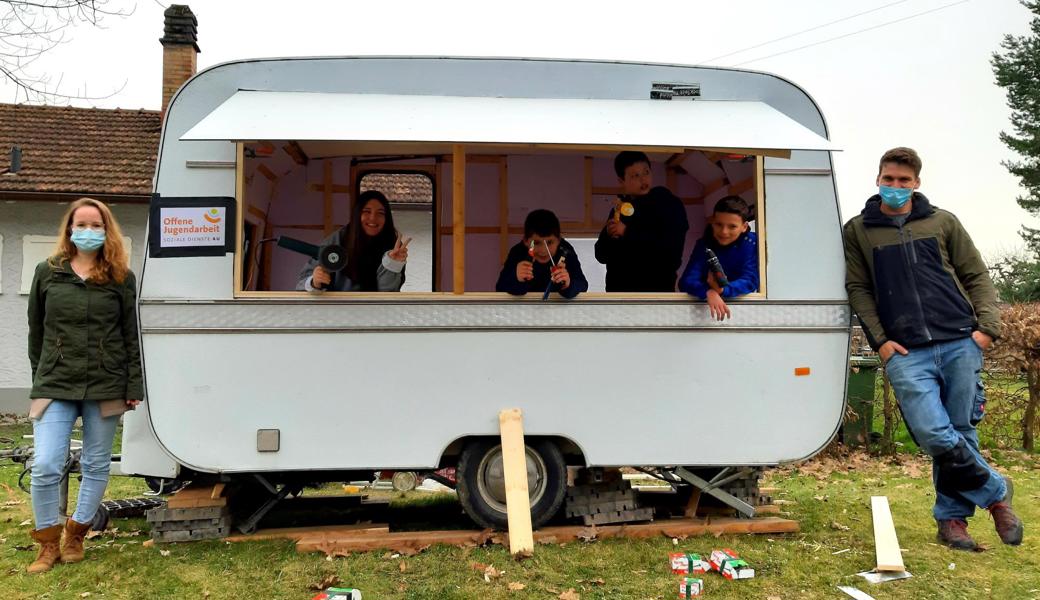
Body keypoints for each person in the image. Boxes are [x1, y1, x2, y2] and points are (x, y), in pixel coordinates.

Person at [843, 147, 1023, 551]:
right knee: (934, 434)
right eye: (888, 179)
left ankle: (952, 522)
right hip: (906, 352)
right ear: (877, 179)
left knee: (961, 433)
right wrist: (881, 340)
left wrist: (986, 330)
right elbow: (858, 287)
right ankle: (996, 494)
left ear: (916, 184)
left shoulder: (942, 222)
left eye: (903, 181)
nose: (895, 187)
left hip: (960, 341)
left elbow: (976, 274)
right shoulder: (859, 230)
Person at [25, 198, 142, 573]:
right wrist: (39, 375)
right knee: (45, 464)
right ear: (69, 228)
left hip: (107, 384)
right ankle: (47, 543)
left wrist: (133, 384)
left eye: (96, 225)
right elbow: (36, 330)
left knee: (95, 463)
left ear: (107, 231)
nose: (88, 231)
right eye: (82, 224)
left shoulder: (121, 277)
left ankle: (76, 533)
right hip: (55, 382)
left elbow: (130, 335)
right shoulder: (47, 272)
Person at [594, 151, 689, 292]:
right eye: (635, 176)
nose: (643, 180)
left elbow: (670, 253)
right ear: (622, 181)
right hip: (619, 295)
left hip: (656, 292)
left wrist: (627, 232)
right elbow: (601, 255)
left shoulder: (667, 203)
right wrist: (608, 235)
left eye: (646, 172)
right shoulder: (619, 210)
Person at [296, 190, 410, 292]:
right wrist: (314, 281)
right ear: (357, 214)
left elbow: (388, 294)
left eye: (380, 213)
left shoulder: (394, 246)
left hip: (377, 311)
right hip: (338, 311)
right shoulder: (338, 239)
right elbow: (301, 284)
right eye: (367, 211)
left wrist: (391, 265)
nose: (373, 218)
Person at [678, 195, 759, 320]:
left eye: (732, 226)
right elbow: (686, 281)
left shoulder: (752, 243)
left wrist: (722, 291)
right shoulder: (704, 244)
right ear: (712, 223)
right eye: (718, 224)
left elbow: (750, 280)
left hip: (744, 312)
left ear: (744, 226)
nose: (724, 232)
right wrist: (708, 292)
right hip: (706, 310)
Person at [496, 209, 588, 299]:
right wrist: (515, 278)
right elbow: (500, 288)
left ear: (559, 240)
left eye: (550, 242)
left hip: (558, 311)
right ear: (525, 241)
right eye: (536, 243)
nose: (543, 250)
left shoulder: (565, 250)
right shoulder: (518, 252)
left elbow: (583, 285)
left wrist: (568, 284)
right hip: (525, 311)